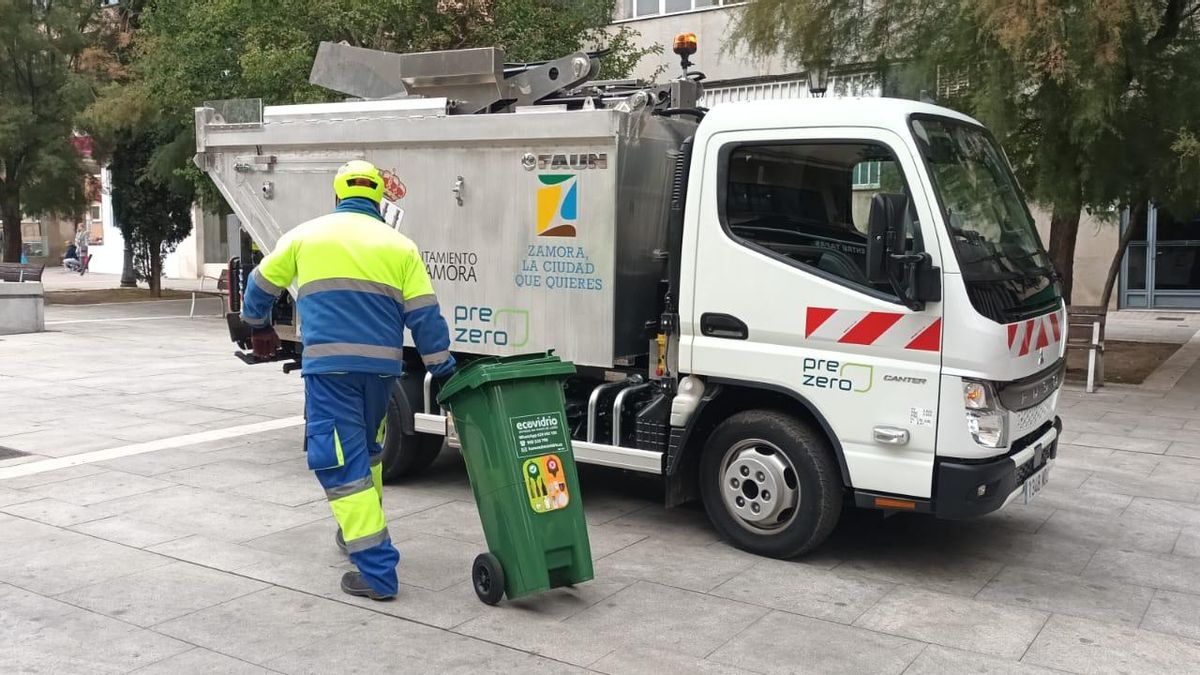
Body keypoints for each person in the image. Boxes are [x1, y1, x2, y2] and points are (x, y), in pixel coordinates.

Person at [240, 160, 455, 601]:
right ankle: (352, 530)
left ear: (337, 197)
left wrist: (257, 324)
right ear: (378, 201)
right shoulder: (400, 246)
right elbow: (425, 317)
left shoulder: (306, 235)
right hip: (381, 377)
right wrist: (443, 367)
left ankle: (377, 572)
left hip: (330, 373)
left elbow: (259, 288)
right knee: (368, 455)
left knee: (339, 463)